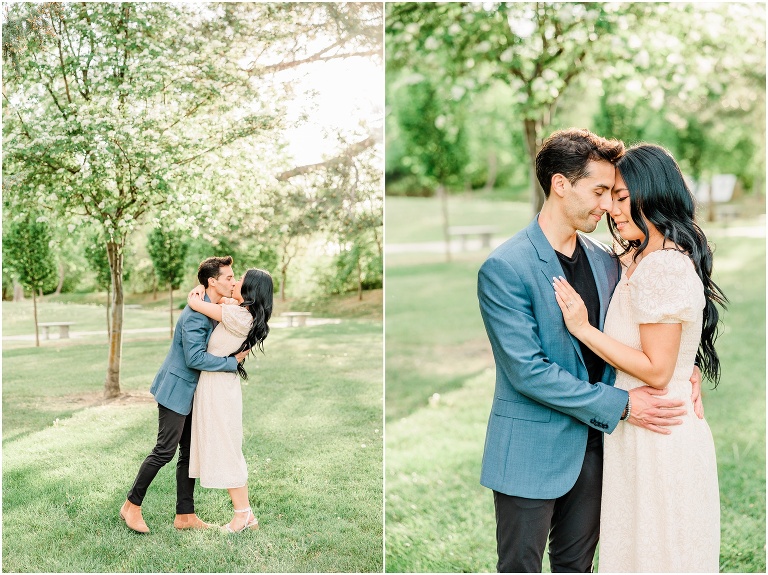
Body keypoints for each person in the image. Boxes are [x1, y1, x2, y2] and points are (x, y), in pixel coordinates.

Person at [477, 128, 702, 573]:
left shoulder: (608, 259)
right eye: (599, 190)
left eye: (611, 193)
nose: (607, 205)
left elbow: (648, 325)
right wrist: (622, 405)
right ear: (561, 184)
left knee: (577, 567)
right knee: (519, 566)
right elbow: (528, 372)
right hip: (531, 450)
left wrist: (683, 366)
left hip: (600, 453)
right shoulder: (505, 268)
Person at [552, 144, 724, 572]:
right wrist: (692, 368)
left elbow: (659, 369)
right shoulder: (635, 258)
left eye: (623, 198)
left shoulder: (663, 267)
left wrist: (583, 329)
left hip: (659, 435)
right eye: (609, 195)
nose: (612, 208)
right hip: (637, 428)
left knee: (658, 552)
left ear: (654, 195)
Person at [120, 256, 248, 534]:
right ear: (212, 281)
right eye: (228, 277)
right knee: (164, 451)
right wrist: (231, 363)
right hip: (177, 389)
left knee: (189, 454)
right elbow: (194, 358)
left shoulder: (209, 305)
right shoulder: (195, 314)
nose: (233, 281)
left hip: (195, 393)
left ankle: (185, 515)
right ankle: (131, 505)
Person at [186, 268, 274, 533]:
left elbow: (194, 304)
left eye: (240, 280)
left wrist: (198, 291)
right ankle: (245, 514)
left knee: (228, 450)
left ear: (250, 289)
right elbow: (223, 301)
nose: (234, 282)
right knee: (226, 448)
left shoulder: (239, 316)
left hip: (219, 390)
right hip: (218, 386)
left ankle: (243, 515)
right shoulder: (241, 312)